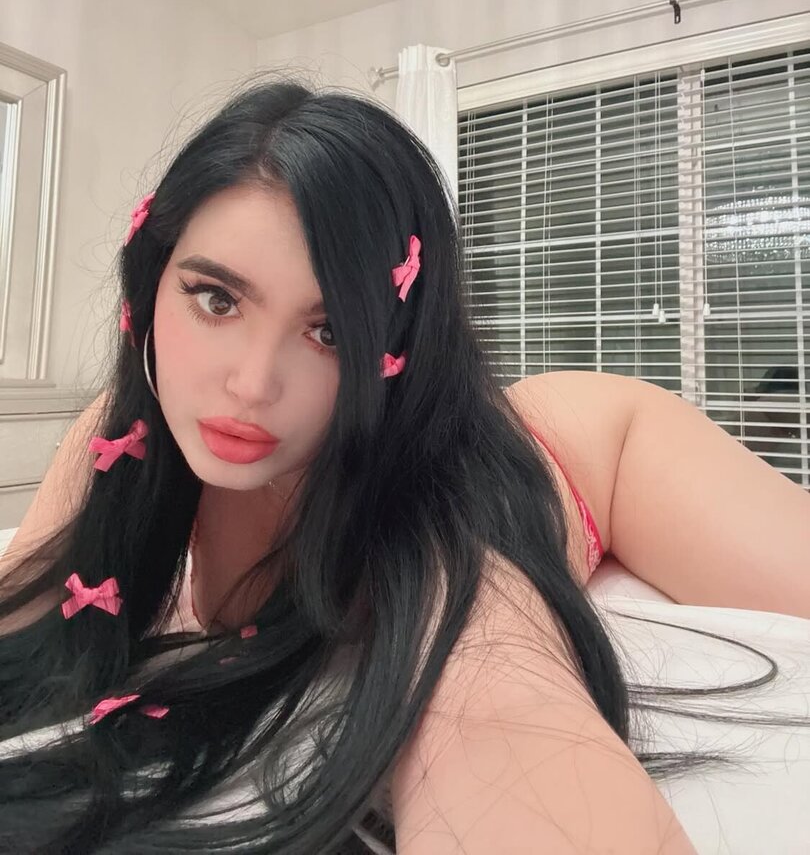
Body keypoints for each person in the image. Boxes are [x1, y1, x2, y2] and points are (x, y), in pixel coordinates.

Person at [0, 76, 807, 854]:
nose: (251, 384)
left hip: (599, 446)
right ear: (151, 284)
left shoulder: (436, 530)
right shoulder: (117, 446)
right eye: (217, 299)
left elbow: (500, 703)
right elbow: (25, 595)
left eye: (330, 332)